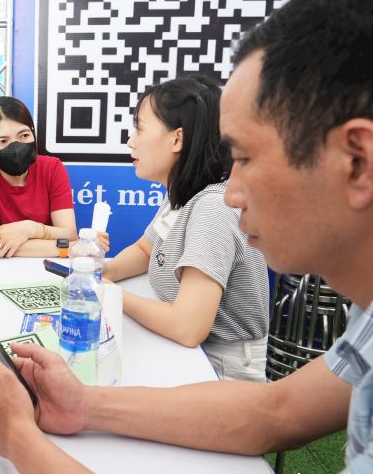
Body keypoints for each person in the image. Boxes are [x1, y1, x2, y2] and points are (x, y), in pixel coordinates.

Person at [0, 0, 373, 473]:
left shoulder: (212, 203)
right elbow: (275, 410)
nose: (234, 193)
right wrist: (85, 404)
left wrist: (19, 440)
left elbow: (193, 331)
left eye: (244, 156)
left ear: (357, 162)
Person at [102, 75, 269, 381]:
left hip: (220, 369)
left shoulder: (212, 207)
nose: (131, 140)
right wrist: (104, 273)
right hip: (192, 353)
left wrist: (108, 294)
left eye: (139, 127)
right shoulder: (184, 195)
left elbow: (187, 326)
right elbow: (145, 249)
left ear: (177, 139)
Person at [0, 96, 93, 257]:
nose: (16, 147)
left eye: (24, 135)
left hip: (48, 266)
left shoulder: (52, 167)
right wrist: (72, 248)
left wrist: (30, 228)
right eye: (2, 141)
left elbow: (69, 233)